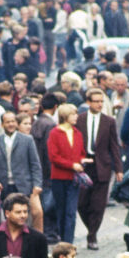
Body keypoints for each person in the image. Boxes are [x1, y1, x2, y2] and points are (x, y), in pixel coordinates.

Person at [77, 89, 123, 250]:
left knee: (98, 205)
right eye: (96, 101)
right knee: (81, 203)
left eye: (101, 101)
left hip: (102, 166)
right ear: (88, 102)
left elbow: (114, 146)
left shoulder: (109, 121)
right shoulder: (80, 119)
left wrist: (119, 169)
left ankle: (92, 236)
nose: (99, 104)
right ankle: (91, 229)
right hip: (84, 166)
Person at [47, 103, 87, 244]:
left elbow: (81, 153)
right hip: (59, 178)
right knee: (61, 211)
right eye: (73, 114)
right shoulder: (54, 133)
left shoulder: (78, 133)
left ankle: (68, 243)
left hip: (74, 179)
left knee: (71, 212)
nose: (76, 116)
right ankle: (63, 240)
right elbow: (54, 157)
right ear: (64, 116)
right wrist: (72, 165)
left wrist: (83, 161)